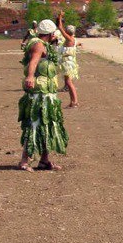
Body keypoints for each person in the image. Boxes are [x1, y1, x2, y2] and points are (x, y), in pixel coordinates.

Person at [19, 19, 68, 171]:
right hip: (40, 93)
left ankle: (44, 160)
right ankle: (24, 161)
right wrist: (30, 76)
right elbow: (34, 61)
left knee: (47, 123)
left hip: (47, 92)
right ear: (51, 33)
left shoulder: (44, 44)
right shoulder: (38, 44)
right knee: (35, 123)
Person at [57, 12, 79, 108]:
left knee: (69, 82)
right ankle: (73, 101)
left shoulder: (69, 39)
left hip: (68, 63)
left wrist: (60, 17)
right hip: (70, 62)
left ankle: (74, 101)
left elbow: (60, 28)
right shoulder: (72, 39)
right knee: (68, 82)